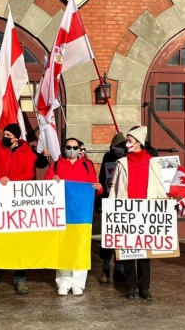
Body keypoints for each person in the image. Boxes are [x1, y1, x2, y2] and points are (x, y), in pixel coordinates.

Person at [0, 94, 45, 295]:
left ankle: (20, 278)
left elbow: (35, 170)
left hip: (18, 203)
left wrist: (13, 181)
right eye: (4, 134)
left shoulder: (29, 152)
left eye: (8, 135)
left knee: (19, 242)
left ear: (16, 138)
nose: (4, 137)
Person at [108, 126, 166, 300]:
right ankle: (130, 287)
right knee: (127, 252)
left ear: (139, 143)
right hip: (126, 212)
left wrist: (166, 205)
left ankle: (144, 287)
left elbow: (159, 187)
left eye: (130, 141)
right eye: (127, 141)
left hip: (146, 213)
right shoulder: (122, 162)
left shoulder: (153, 163)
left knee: (144, 253)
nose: (127, 144)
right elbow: (115, 187)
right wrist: (110, 207)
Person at [45, 137, 103, 296]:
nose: (71, 149)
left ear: (80, 149)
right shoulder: (56, 164)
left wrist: (99, 187)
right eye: (68, 147)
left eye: (75, 147)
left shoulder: (87, 164)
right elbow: (45, 185)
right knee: (62, 246)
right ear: (64, 148)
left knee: (80, 247)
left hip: (81, 214)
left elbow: (95, 187)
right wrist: (52, 179)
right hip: (62, 212)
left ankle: (78, 282)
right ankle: (63, 282)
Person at [96, 133, 127, 284]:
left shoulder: (128, 159)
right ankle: (106, 269)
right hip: (109, 201)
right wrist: (100, 201)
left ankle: (120, 268)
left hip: (124, 202)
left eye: (121, 148)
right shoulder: (107, 157)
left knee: (120, 237)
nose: (118, 151)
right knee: (107, 237)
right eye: (115, 148)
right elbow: (102, 178)